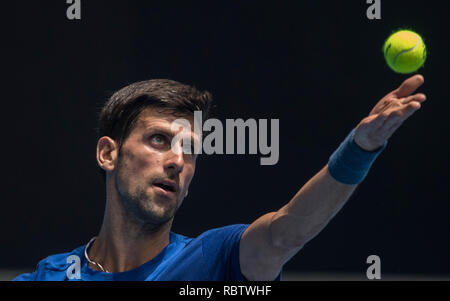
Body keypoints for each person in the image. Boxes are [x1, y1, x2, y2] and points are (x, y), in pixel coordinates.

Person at [14, 75, 427, 281]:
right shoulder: (49, 274)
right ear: (109, 153)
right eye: (159, 139)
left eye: (190, 149)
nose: (178, 160)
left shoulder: (216, 259)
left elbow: (286, 232)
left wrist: (360, 148)